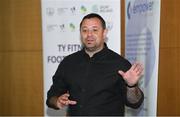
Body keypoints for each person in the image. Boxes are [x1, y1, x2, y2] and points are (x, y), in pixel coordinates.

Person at [46, 13, 144, 116]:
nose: (89, 34)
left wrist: (132, 86)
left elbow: (135, 103)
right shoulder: (68, 62)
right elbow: (52, 96)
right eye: (85, 30)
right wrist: (57, 101)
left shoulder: (120, 64)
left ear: (104, 33)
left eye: (95, 30)